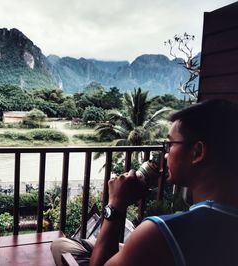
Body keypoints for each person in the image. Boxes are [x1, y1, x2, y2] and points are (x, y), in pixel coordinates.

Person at [51, 99, 238, 266]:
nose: (165, 154)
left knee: (62, 248)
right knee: (62, 244)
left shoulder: (160, 232)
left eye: (170, 144)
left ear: (197, 152)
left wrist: (116, 206)